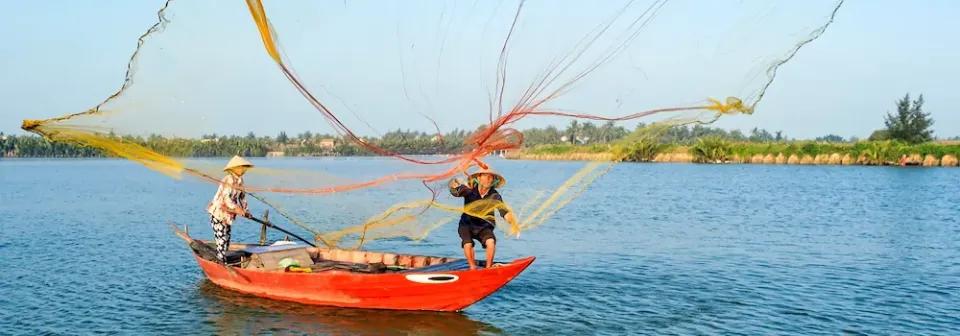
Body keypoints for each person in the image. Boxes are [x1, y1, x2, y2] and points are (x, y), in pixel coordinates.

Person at [449, 166, 519, 270]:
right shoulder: (469, 189)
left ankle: (488, 268)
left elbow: (504, 212)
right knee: (467, 244)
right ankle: (472, 268)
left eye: (491, 177)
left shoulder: (494, 195)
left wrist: (513, 223)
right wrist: (453, 186)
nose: (488, 179)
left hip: (484, 227)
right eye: (486, 176)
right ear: (479, 177)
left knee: (490, 242)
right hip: (466, 224)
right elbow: (455, 192)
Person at [206, 155, 253, 264]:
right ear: (235, 168)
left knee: (227, 239)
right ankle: (221, 263)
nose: (244, 169)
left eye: (244, 167)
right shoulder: (228, 179)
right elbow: (226, 199)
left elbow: (242, 198)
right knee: (221, 240)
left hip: (228, 215)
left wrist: (246, 211)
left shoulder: (240, 181)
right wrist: (238, 209)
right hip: (218, 213)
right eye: (241, 167)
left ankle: (223, 260)